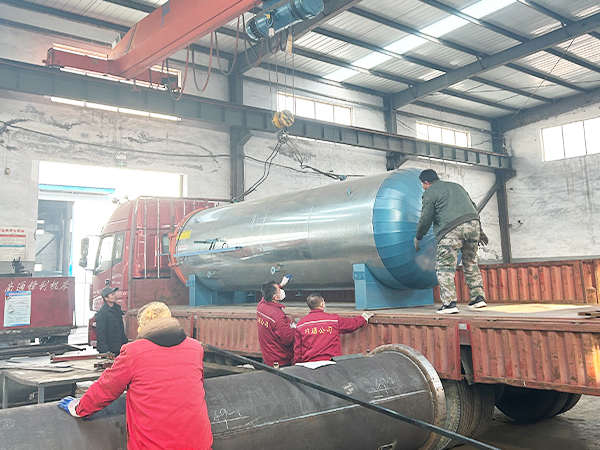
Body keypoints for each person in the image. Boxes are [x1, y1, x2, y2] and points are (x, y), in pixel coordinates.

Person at [57, 302, 213, 450]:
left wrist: (79, 408)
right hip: (200, 444)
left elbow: (106, 389)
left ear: (142, 327)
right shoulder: (195, 348)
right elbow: (195, 383)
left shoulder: (134, 352)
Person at [414, 169, 488, 315]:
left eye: (423, 185)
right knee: (470, 262)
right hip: (473, 225)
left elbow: (426, 218)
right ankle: (478, 298)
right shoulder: (457, 187)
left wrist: (418, 237)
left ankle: (449, 304)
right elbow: (473, 208)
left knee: (444, 266)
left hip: (452, 229)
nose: (423, 187)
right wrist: (480, 231)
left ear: (426, 183)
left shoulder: (430, 193)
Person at [294, 292, 373, 364]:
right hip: (330, 363)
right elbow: (351, 324)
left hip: (309, 365)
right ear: (322, 304)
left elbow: (298, 350)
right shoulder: (333, 320)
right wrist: (363, 318)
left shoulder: (301, 324)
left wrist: (297, 366)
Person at [256, 276, 294, 367]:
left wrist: (281, 284)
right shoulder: (278, 316)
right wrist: (294, 329)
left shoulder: (261, 306)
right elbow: (288, 339)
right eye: (279, 290)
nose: (281, 291)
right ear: (275, 297)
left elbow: (266, 295)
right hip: (280, 361)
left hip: (269, 357)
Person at [94, 285, 128, 355]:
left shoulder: (117, 309)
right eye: (112, 294)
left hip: (119, 348)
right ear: (106, 298)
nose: (115, 296)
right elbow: (101, 333)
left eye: (115, 294)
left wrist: (125, 344)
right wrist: (105, 351)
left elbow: (121, 330)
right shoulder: (102, 313)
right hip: (110, 350)